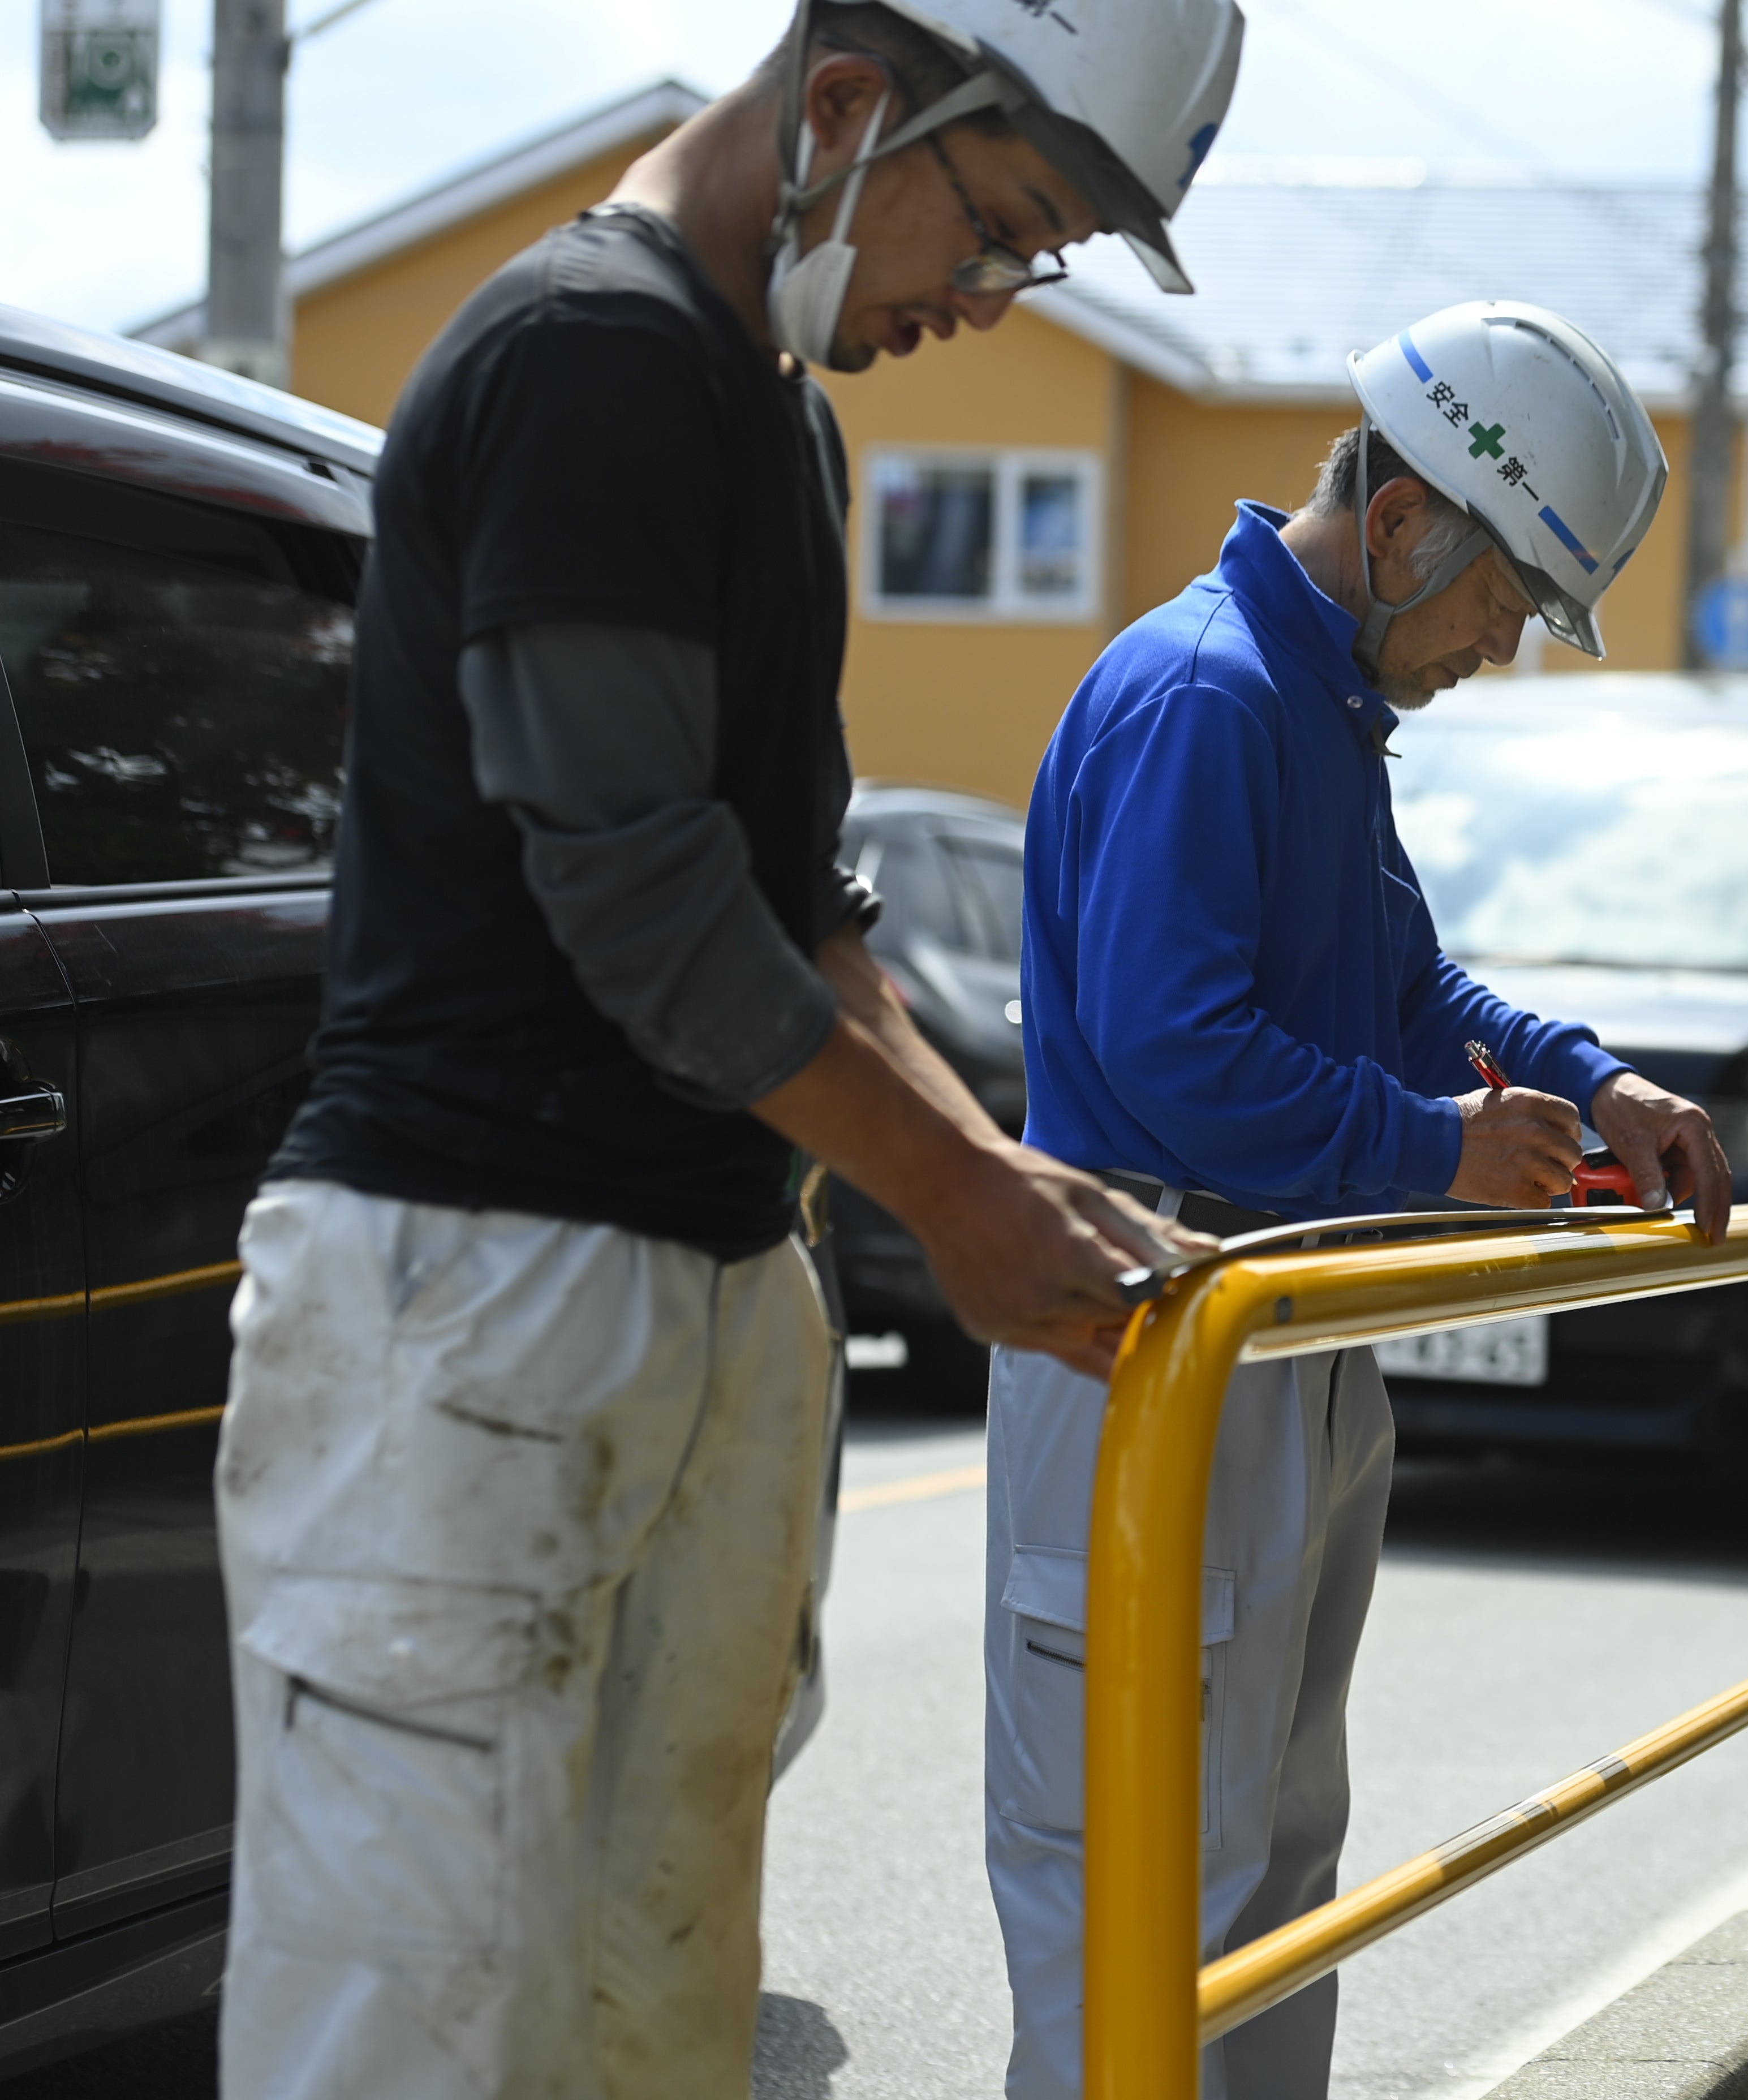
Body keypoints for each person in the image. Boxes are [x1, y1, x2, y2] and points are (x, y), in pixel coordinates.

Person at [212, 4, 1242, 2092]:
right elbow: (640, 890)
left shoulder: (776, 411)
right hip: (466, 1296)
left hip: (684, 1285)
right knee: (407, 2023)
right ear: (853, 105)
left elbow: (803, 900)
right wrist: (956, 1198)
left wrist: (1009, 1170)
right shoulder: (588, 355)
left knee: (648, 2016)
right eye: (1003, 229)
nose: (987, 298)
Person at [988, 300, 1733, 2097]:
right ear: (1400, 523)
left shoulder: (1309, 701)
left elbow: (1406, 989)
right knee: (1151, 1868)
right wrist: (1434, 1151)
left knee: (1262, 1853)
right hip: (1165, 1319)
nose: (1506, 643)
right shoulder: (1210, 698)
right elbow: (1177, 1054)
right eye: (1506, 595)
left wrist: (1586, 1077)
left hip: (1270, 1319)